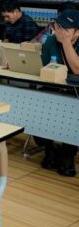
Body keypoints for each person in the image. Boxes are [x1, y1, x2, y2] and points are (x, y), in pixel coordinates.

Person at [38, 9, 79, 177]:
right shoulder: (50, 42)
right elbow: (45, 68)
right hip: (56, 88)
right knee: (37, 103)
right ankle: (50, 148)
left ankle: (68, 155)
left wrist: (67, 43)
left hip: (76, 92)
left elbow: (77, 69)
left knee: (72, 111)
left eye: (66, 29)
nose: (60, 31)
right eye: (58, 26)